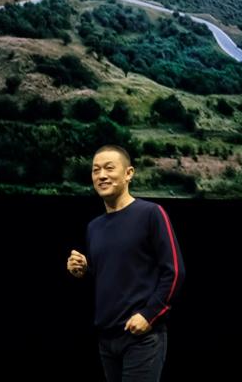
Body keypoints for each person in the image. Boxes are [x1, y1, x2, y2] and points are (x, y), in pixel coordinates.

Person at [67, 144, 186, 382]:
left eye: (109, 168)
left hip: (141, 336)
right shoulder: (94, 227)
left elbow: (174, 272)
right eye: (95, 170)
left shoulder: (151, 213)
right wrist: (83, 270)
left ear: (128, 173)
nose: (101, 175)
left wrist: (149, 315)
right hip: (106, 337)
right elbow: (109, 276)